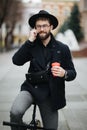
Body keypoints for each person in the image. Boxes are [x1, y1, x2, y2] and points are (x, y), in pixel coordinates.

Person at [10, 10, 77, 130]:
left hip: (50, 94)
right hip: (30, 88)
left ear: (51, 27)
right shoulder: (32, 45)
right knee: (15, 112)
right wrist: (29, 41)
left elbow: (73, 73)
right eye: (39, 26)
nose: (42, 29)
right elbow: (16, 61)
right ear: (35, 28)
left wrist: (64, 73)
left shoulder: (62, 48)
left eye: (45, 26)